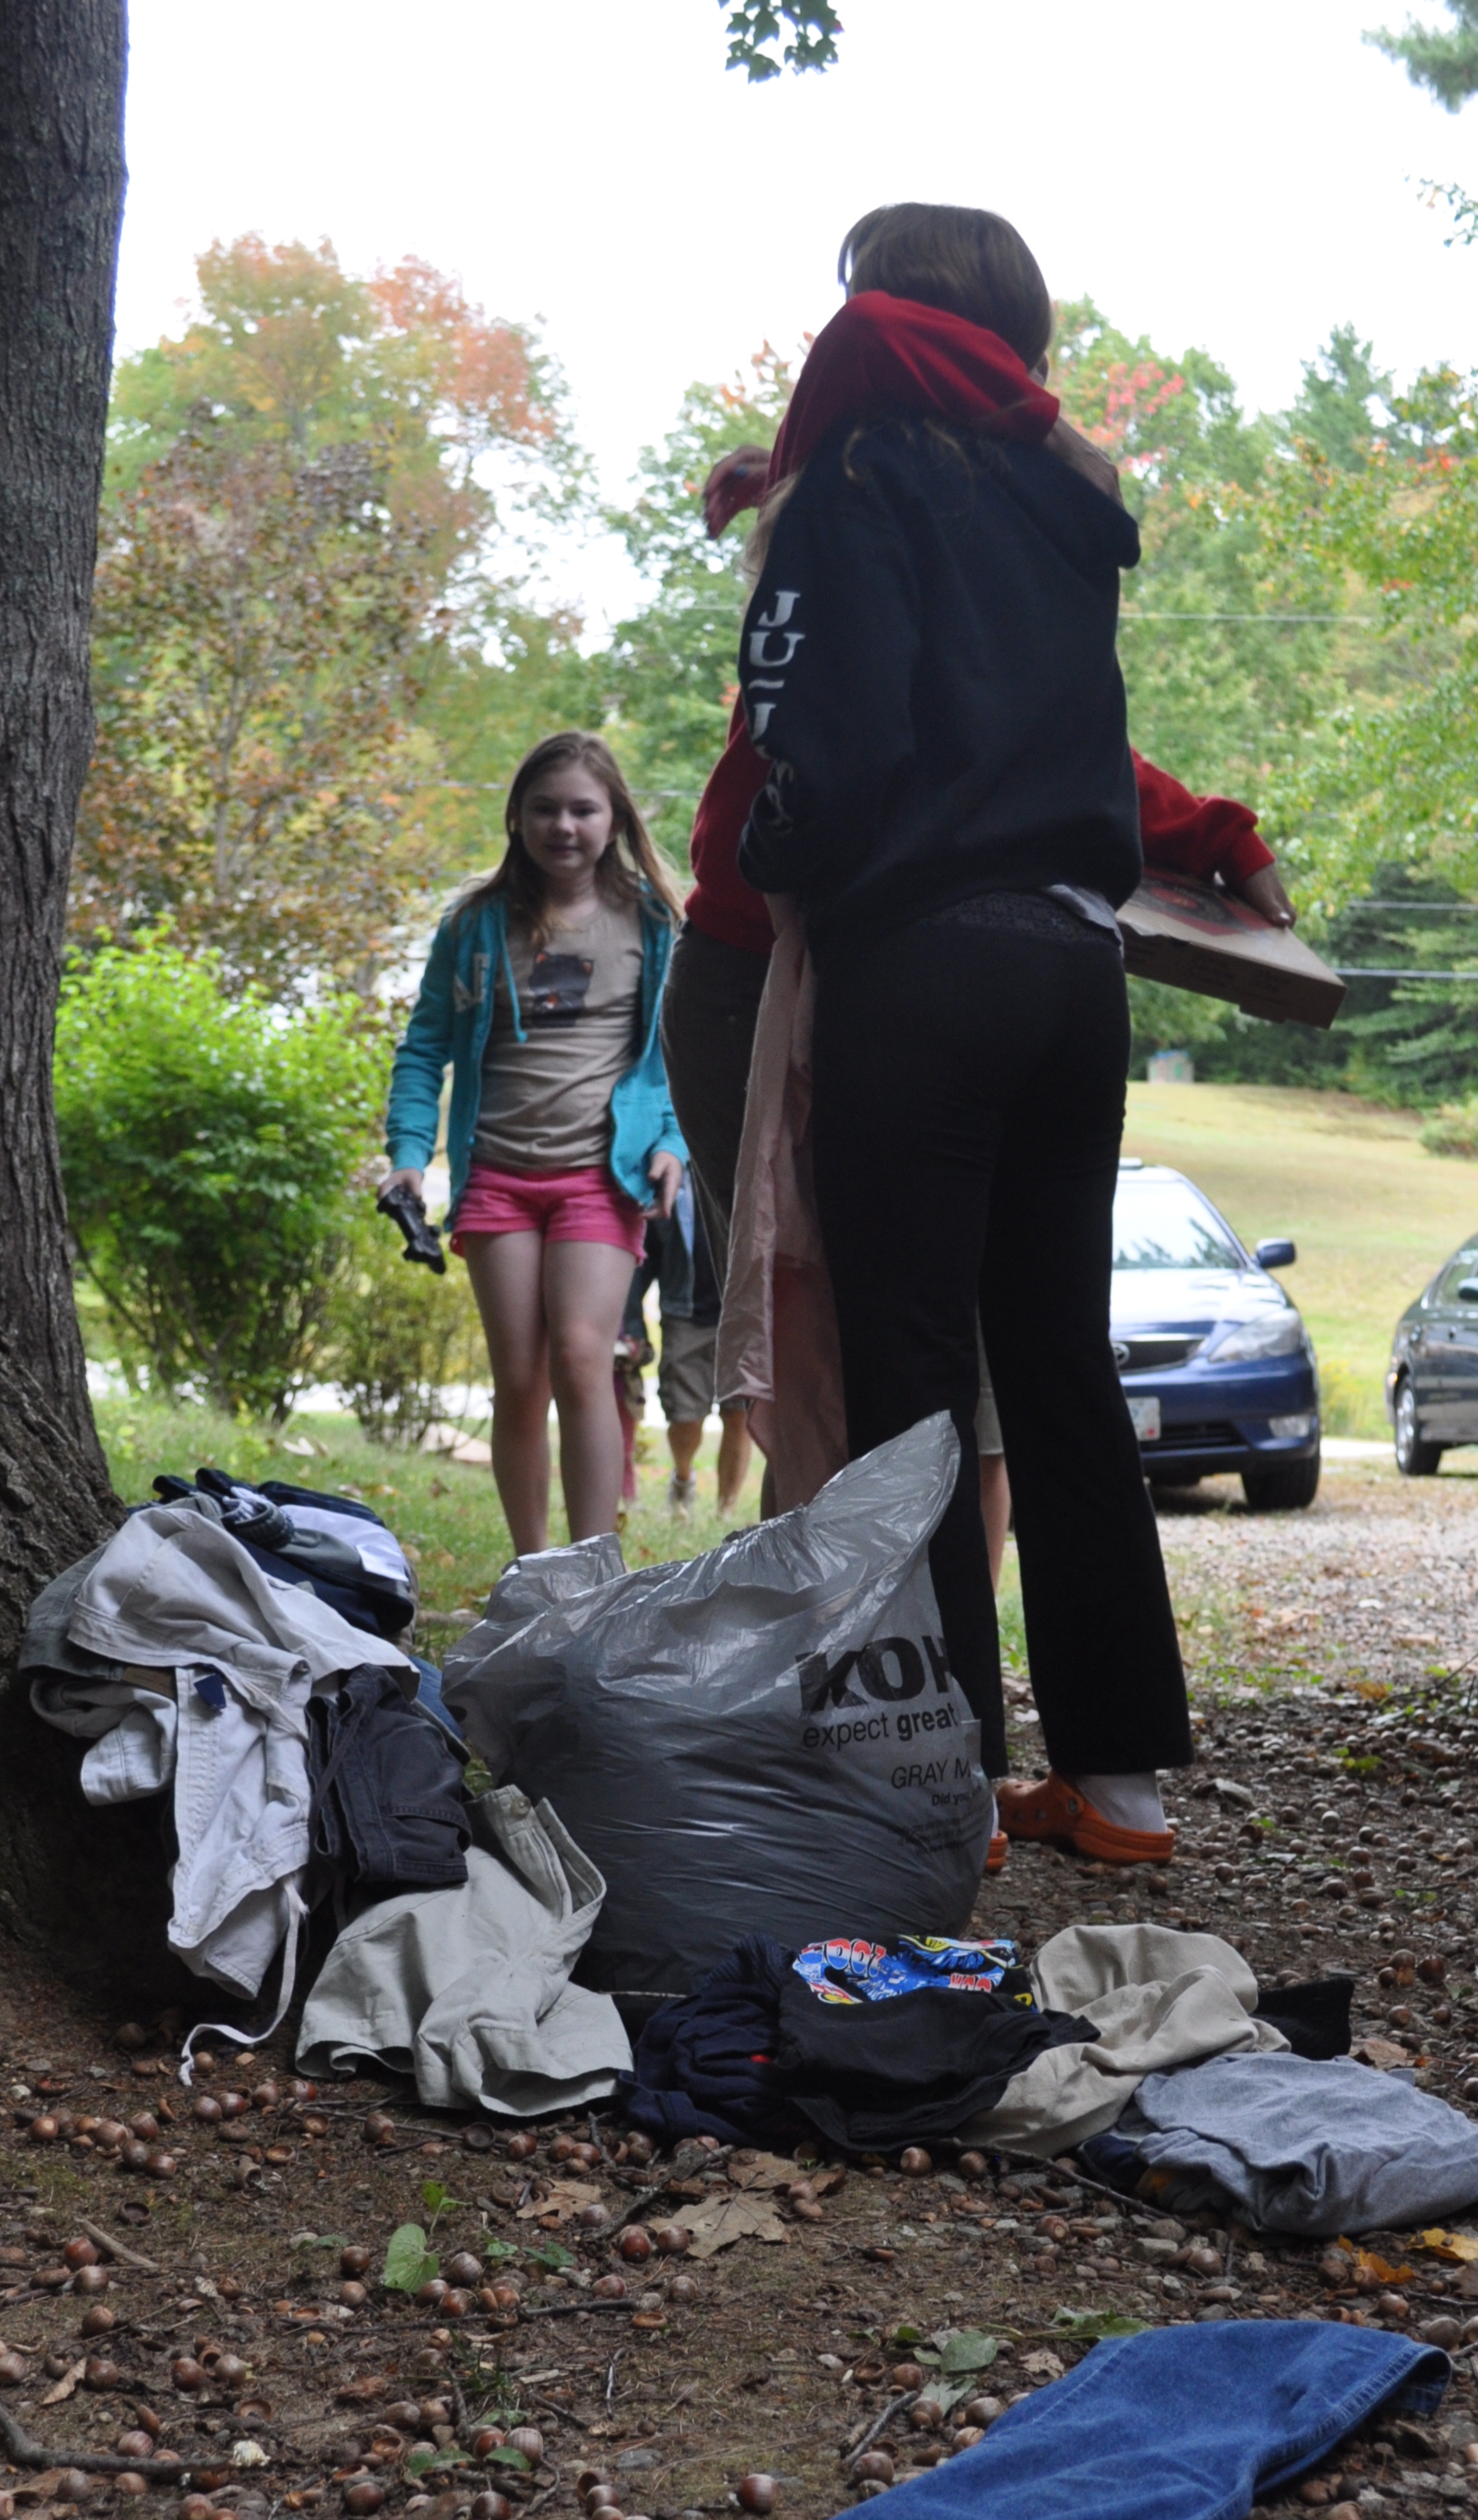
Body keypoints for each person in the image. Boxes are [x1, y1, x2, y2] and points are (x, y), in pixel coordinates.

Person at [733, 202, 1295, 1869]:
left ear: (888, 317)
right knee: (1056, 1370)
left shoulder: (855, 483)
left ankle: (945, 1786)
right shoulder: (1059, 514)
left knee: (912, 1378)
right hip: (1074, 964)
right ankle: (1117, 1787)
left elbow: (831, 727)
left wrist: (780, 852)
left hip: (921, 957)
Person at [379, 735, 683, 1555]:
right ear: (517, 818)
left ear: (614, 816)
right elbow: (423, 1046)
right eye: (545, 809)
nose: (564, 826)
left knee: (585, 1357)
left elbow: (681, 1051)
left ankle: (591, 1574)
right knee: (520, 1380)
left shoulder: (652, 922)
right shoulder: (476, 924)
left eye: (583, 809)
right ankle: (533, 1569)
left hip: (599, 1175)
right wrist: (410, 1151)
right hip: (498, 1179)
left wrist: (673, 1143)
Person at [642, 1172, 753, 1517]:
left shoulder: (749, 1167)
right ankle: (683, 1478)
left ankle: (726, 1510)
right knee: (684, 1413)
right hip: (686, 1312)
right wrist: (630, 1322)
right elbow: (647, 1251)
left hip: (741, 1311)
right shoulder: (673, 1173)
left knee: (741, 1413)